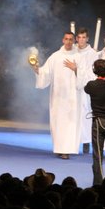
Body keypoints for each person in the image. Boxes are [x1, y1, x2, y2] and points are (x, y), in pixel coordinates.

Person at [33, 31, 80, 159]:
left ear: (74, 41)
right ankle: (59, 148)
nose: (69, 42)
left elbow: (86, 75)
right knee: (58, 122)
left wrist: (76, 69)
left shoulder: (78, 56)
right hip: (58, 97)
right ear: (62, 40)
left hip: (74, 97)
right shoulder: (55, 57)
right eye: (66, 39)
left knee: (71, 123)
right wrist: (37, 70)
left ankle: (67, 150)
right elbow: (45, 73)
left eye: (71, 39)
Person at [74, 27, 98, 154]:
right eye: (79, 37)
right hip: (73, 89)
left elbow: (92, 73)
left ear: (87, 38)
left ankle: (86, 142)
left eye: (84, 37)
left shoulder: (93, 54)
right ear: (76, 38)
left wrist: (77, 71)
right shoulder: (72, 52)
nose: (81, 40)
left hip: (85, 89)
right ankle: (72, 141)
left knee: (86, 115)